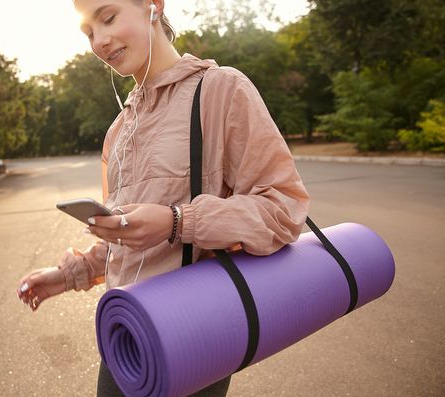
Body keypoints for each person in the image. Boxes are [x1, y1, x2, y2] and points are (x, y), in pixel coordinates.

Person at [17, 0, 310, 395]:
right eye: (88, 32)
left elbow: (284, 210)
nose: (100, 41)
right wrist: (68, 276)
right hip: (123, 334)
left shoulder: (221, 89)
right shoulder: (117, 131)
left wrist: (178, 221)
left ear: (153, 6)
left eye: (108, 18)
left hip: (196, 330)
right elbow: (127, 240)